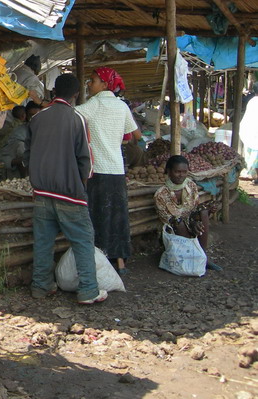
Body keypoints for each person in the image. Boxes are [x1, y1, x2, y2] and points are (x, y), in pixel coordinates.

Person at [24, 73, 106, 304]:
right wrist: (82, 185)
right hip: (70, 193)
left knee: (43, 241)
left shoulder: (37, 119)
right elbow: (85, 160)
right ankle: (89, 290)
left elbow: (27, 155)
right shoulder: (76, 118)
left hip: (41, 192)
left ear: (53, 92)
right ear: (76, 94)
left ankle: (41, 286)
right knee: (82, 240)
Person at [75, 67, 141, 276]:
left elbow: (69, 117)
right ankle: (121, 262)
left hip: (98, 171)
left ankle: (99, 263)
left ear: (104, 84)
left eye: (92, 80)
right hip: (117, 170)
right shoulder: (121, 106)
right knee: (118, 216)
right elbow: (135, 134)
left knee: (97, 216)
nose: (88, 84)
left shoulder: (94, 104)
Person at [154, 155, 222, 271]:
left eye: (184, 172)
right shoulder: (160, 194)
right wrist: (190, 224)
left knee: (204, 211)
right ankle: (197, 257)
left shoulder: (191, 185)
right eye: (177, 172)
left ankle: (202, 257)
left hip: (191, 224)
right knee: (178, 222)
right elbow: (168, 220)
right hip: (174, 231)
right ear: (169, 172)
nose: (181, 175)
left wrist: (203, 216)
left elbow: (194, 208)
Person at [0, 102, 41, 178]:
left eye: (38, 115)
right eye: (31, 115)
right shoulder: (19, 132)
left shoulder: (49, 131)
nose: (34, 119)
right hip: (18, 174)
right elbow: (2, 158)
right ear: (26, 116)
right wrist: (19, 161)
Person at [240, 84, 258, 184]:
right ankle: (254, 176)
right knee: (255, 156)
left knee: (252, 155)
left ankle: (252, 174)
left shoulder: (252, 101)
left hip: (249, 131)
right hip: (254, 132)